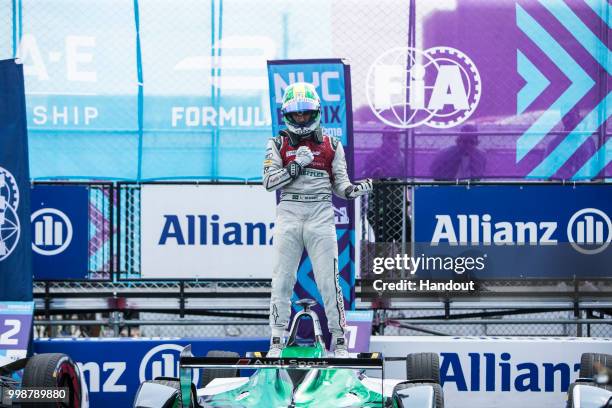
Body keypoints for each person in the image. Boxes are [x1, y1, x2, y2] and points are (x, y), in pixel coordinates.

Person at [263, 82, 372, 357]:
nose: (301, 119)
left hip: (321, 217)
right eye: (296, 114)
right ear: (287, 115)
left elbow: (341, 185)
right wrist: (296, 165)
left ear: (316, 113)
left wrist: (355, 190)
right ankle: (276, 341)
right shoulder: (277, 143)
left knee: (329, 281)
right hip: (288, 216)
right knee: (282, 280)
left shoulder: (332, 145)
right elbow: (268, 182)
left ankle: (338, 342)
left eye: (305, 113)